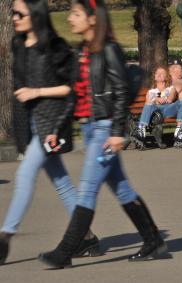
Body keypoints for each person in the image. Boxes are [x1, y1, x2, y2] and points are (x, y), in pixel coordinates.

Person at [38, 0, 166, 269]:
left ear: (93, 18)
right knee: (122, 188)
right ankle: (153, 240)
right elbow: (76, 97)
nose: (70, 18)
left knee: (86, 190)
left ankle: (64, 252)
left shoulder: (108, 50)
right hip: (90, 128)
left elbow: (120, 92)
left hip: (105, 129)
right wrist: (56, 129)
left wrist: (118, 133)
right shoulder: (83, 51)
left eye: (75, 13)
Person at [0, 0, 100, 265]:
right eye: (13, 13)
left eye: (19, 13)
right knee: (62, 183)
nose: (14, 17)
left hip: (51, 127)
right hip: (32, 124)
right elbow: (21, 86)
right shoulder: (18, 46)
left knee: (24, 174)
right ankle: (88, 238)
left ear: (35, 15)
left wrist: (38, 91)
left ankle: (5, 238)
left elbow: (72, 87)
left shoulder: (56, 48)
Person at [134, 66, 182, 148]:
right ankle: (141, 131)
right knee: (149, 104)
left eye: (162, 73)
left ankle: (179, 132)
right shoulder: (150, 91)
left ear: (166, 77)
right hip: (155, 112)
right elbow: (148, 103)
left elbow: (171, 99)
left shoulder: (171, 88)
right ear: (154, 77)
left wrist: (165, 99)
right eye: (157, 73)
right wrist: (156, 99)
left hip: (168, 109)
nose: (159, 74)